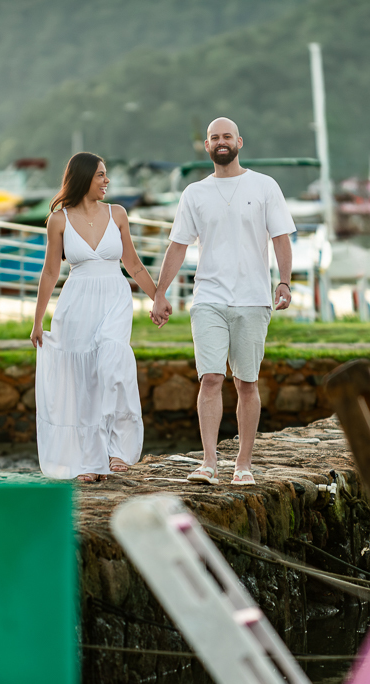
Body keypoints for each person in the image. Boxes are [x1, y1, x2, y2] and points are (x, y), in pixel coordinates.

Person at [151, 118, 295, 485]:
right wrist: (160, 293)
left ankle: (243, 464)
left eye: (226, 136)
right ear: (206, 146)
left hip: (253, 299)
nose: (221, 142)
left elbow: (280, 238)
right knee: (211, 378)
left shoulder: (264, 186)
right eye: (214, 137)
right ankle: (209, 463)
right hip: (209, 298)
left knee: (247, 383)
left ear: (239, 142)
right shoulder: (194, 194)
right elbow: (178, 246)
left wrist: (284, 282)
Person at [31, 152, 159, 482]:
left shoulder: (117, 214)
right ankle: (88, 461)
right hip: (76, 303)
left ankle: (119, 449)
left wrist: (158, 297)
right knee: (83, 382)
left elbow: (133, 264)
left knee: (112, 362)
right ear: (84, 177)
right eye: (101, 175)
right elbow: (49, 273)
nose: (107, 181)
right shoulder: (59, 220)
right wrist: (37, 320)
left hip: (115, 297)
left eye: (106, 175)